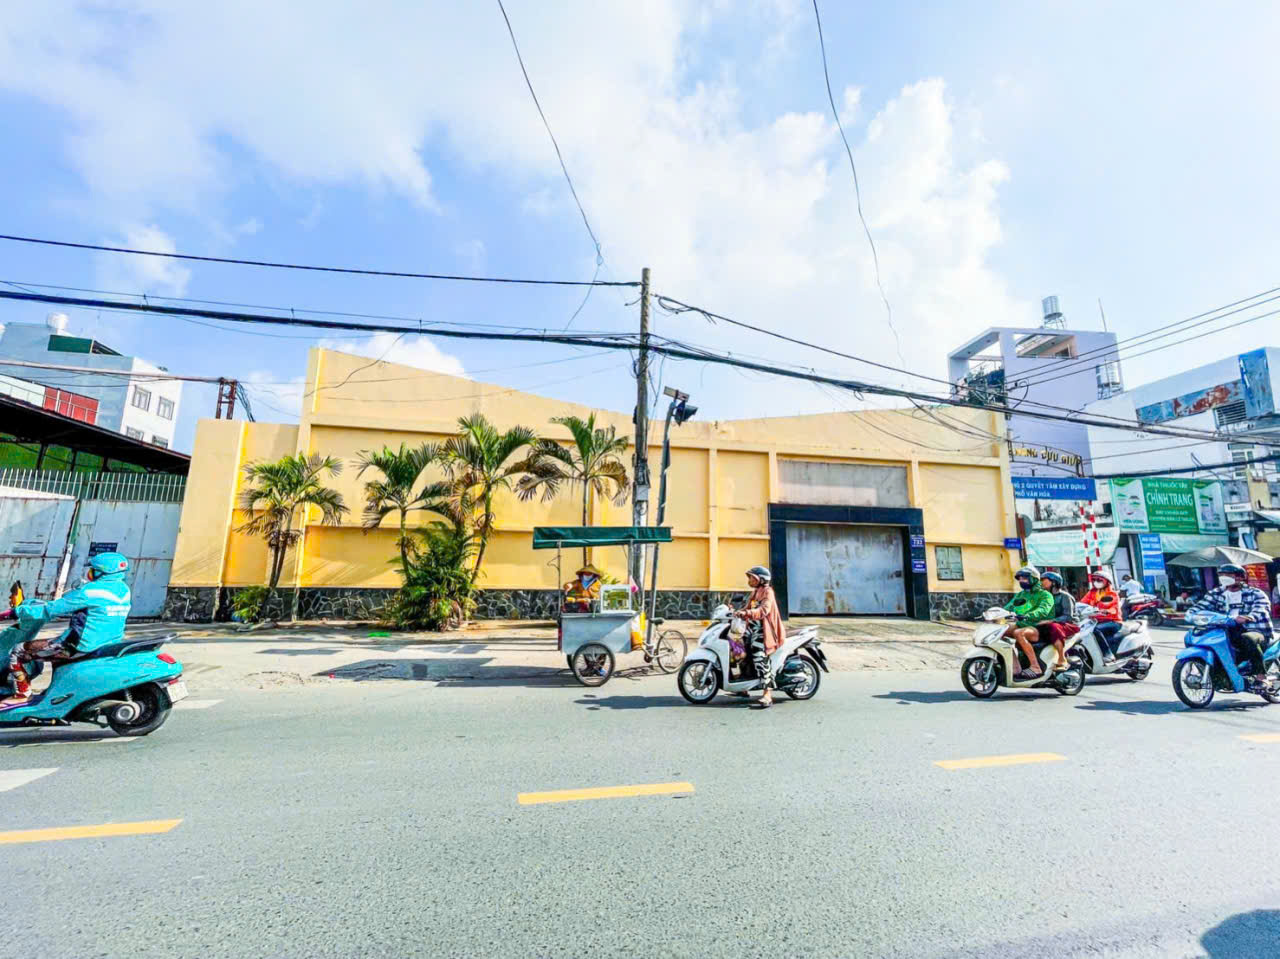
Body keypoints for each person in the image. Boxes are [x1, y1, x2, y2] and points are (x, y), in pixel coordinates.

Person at [2, 552, 132, 707]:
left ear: (98, 572)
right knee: (52, 653)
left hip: (79, 646)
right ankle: (54, 694)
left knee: (18, 651)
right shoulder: (124, 590)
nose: (89, 572)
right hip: (107, 644)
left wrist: (14, 612)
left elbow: (50, 610)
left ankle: (22, 695)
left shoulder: (89, 591)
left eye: (92, 569)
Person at [1190, 563, 1274, 692]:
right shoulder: (1216, 593)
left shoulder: (1255, 593)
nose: (1224, 577)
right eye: (1221, 574)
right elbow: (1200, 607)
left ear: (1240, 577)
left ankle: (1261, 677)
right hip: (1225, 630)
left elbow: (1261, 608)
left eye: (1228, 575)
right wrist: (1191, 614)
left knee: (1248, 639)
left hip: (1253, 629)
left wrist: (1249, 617)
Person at [734, 565, 785, 710]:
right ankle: (744, 686)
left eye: (752, 577)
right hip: (752, 629)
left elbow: (764, 610)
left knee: (759, 656)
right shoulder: (755, 592)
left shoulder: (768, 592)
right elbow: (747, 608)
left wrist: (747, 613)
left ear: (761, 579)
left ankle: (767, 694)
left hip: (764, 631)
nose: (749, 580)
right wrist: (736, 611)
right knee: (738, 649)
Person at [1002, 566, 1054, 681]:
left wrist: (1028, 615)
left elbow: (1043, 610)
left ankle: (1036, 667)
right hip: (1024, 624)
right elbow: (1009, 606)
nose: (1021, 581)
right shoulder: (1021, 594)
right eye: (1020, 578)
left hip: (1039, 627)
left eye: (1024, 578)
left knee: (1019, 633)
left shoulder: (1045, 595)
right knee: (1001, 631)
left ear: (1034, 579)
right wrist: (997, 613)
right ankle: (1015, 667)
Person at [1037, 571, 1079, 671]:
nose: (1041, 582)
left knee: (1054, 627)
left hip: (1067, 625)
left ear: (1054, 582)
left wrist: (1050, 621)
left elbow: (1068, 616)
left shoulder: (1065, 596)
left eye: (1044, 580)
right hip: (1049, 623)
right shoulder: (1043, 597)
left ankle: (1061, 658)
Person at [1080, 571, 1123, 660]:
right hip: (1095, 621)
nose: (1096, 582)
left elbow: (1113, 609)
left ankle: (1108, 654)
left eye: (1099, 580)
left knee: (1095, 630)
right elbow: (1082, 603)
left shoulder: (1112, 594)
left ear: (1107, 582)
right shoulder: (1092, 593)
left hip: (1113, 621)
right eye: (1094, 580)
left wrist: (1105, 611)